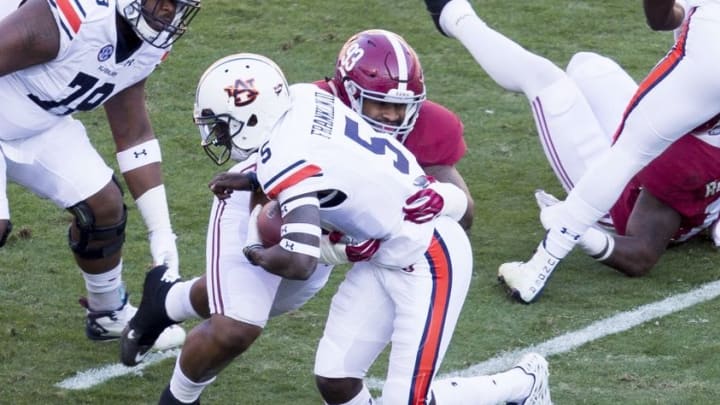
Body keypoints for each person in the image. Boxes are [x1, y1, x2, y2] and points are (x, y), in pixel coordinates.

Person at [120, 30, 492, 404]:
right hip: (264, 197)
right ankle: (178, 396)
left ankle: (167, 301)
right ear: (345, 93)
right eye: (380, 104)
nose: (394, 116)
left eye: (402, 105)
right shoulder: (296, 125)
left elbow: (464, 212)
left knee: (270, 303)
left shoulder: (412, 121)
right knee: (239, 322)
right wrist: (258, 244)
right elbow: (292, 237)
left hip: (356, 229)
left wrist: (438, 200)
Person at [202, 53, 550, 405]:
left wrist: (254, 251)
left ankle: (520, 384)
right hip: (384, 253)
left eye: (223, 125)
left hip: (429, 257)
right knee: (336, 379)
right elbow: (331, 168)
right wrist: (254, 180)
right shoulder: (305, 97)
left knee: (406, 401)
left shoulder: (288, 157)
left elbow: (300, 262)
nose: (221, 134)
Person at [426, 0, 720, 303]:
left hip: (629, 204)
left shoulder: (684, 149)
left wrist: (576, 231)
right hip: (697, 170)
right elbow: (666, 18)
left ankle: (454, 15)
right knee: (588, 66)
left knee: (545, 82)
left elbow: (641, 253)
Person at [0, 0, 198, 342]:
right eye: (163, 0)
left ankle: (108, 313)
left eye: (178, 4)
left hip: (40, 121)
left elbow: (132, 131)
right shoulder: (68, 18)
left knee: (104, 206)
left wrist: (162, 233)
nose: (169, 11)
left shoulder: (150, 41)